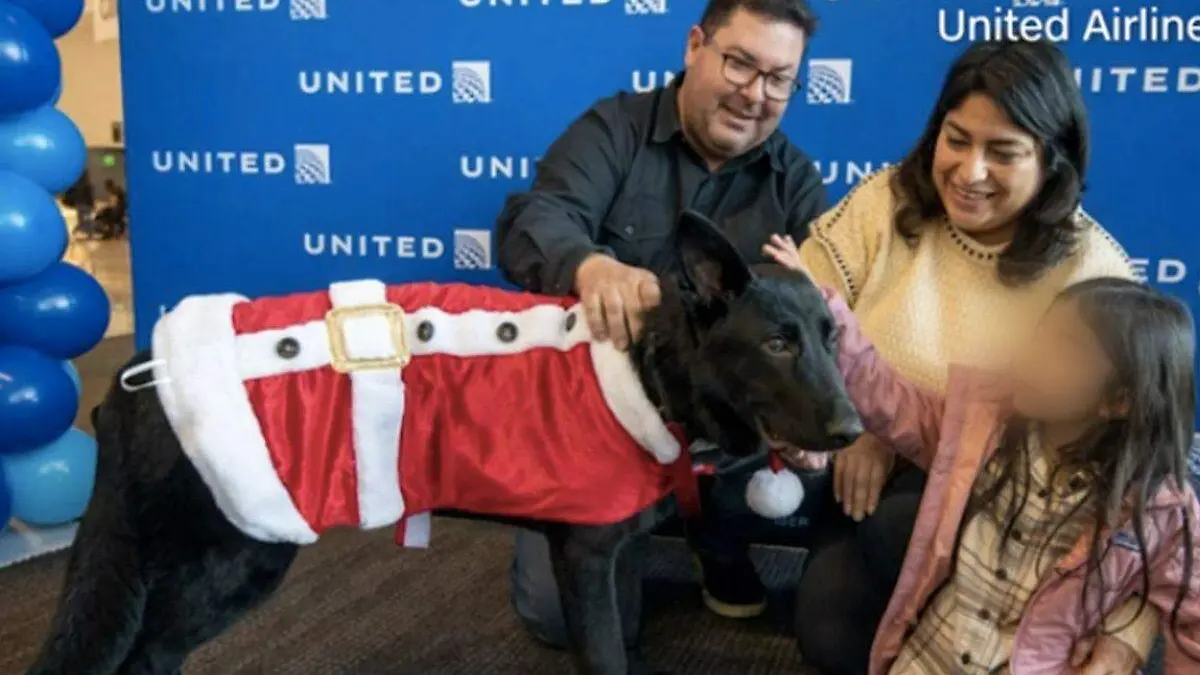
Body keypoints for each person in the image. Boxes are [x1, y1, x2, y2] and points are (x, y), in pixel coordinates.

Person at [763, 39, 1158, 675]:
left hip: (1006, 505)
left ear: (1052, 162)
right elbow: (799, 314)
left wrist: (1124, 636)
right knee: (830, 634)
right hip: (861, 465)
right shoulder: (883, 201)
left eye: (1002, 152)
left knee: (900, 524)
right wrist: (854, 422)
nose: (970, 171)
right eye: (957, 139)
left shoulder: (1096, 273)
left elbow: (1147, 475)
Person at [495, 0, 827, 647]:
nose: (754, 94)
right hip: (595, 427)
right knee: (556, 617)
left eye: (779, 79)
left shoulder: (795, 180)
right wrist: (587, 265)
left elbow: (826, 314)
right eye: (739, 63)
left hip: (723, 438)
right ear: (695, 46)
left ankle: (718, 539)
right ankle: (617, 540)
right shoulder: (611, 130)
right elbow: (534, 219)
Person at [806, 276, 1200, 675]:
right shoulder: (979, 425)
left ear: (1118, 402)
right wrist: (828, 313)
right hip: (928, 659)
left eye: (1066, 350)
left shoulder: (1162, 510)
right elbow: (892, 401)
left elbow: (1192, 622)